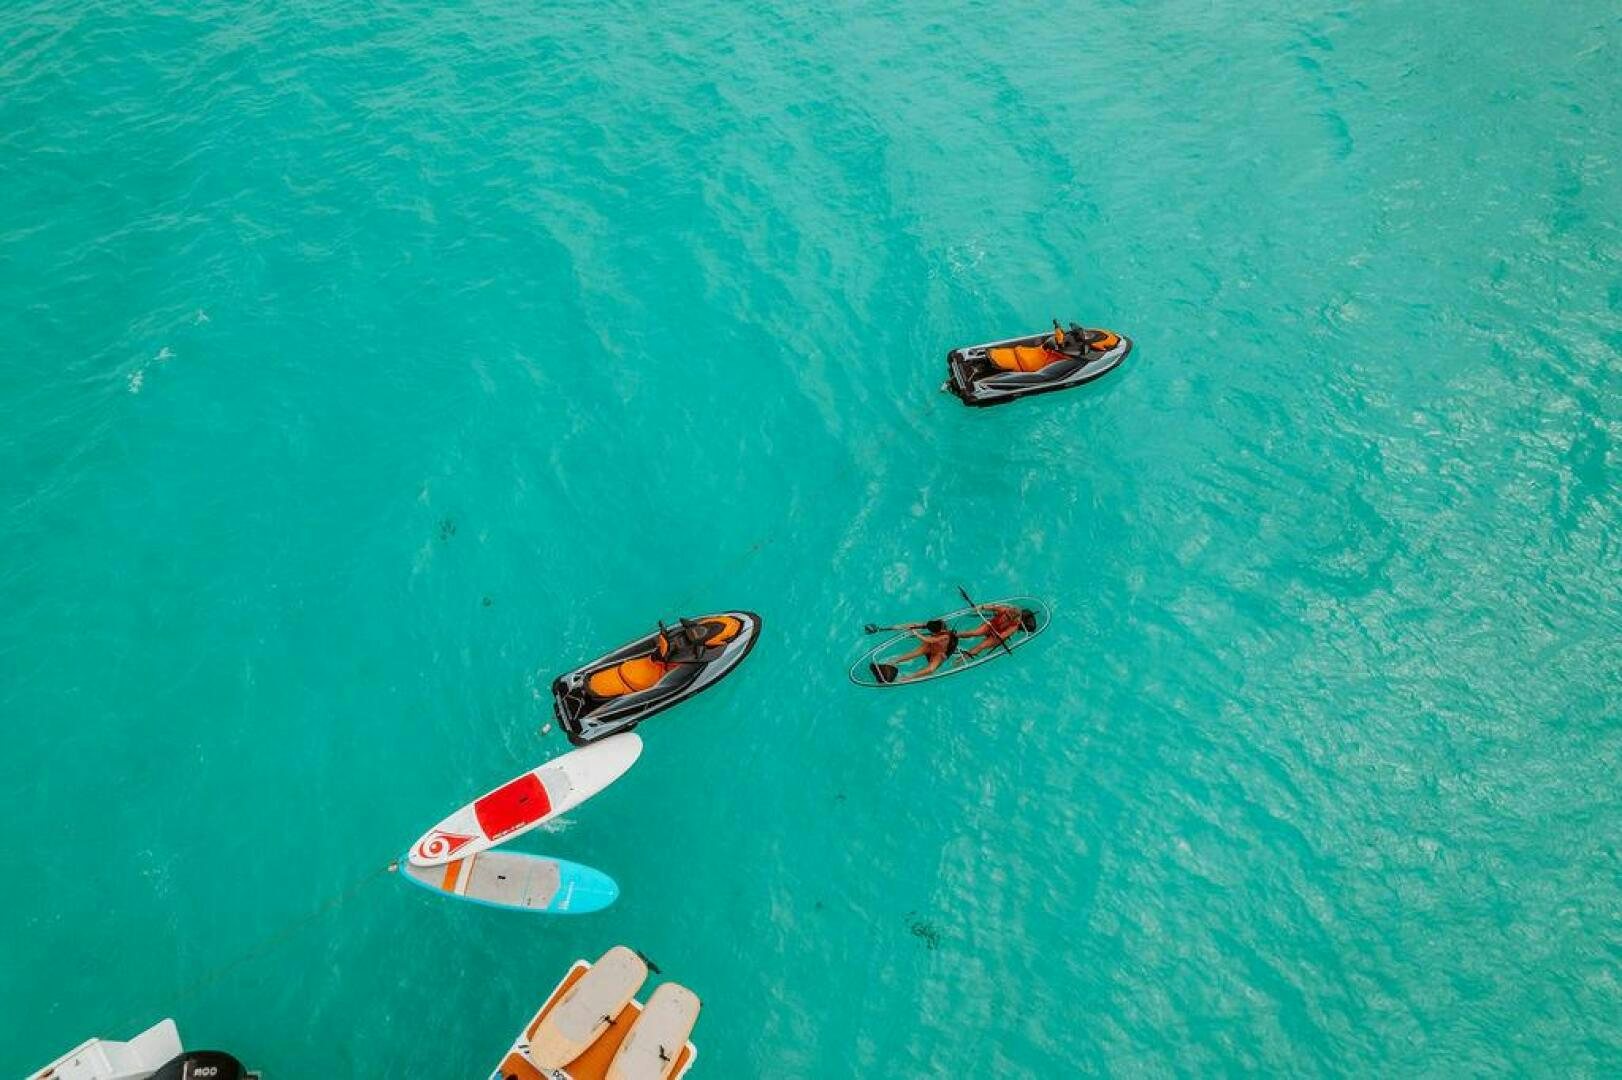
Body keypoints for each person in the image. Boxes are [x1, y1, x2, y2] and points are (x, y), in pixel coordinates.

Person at [870, 619, 959, 683]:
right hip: (931, 646)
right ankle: (893, 661)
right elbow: (915, 625)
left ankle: (909, 677)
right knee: (915, 653)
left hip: (939, 653)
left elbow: (930, 640)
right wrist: (896, 627)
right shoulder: (934, 625)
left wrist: (916, 633)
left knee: (931, 669)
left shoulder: (945, 636)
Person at [959, 603, 1038, 658]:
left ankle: (962, 659)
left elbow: (1003, 635)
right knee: (974, 632)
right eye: (1006, 614)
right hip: (991, 625)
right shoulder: (1004, 609)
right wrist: (981, 607)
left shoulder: (1014, 626)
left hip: (997, 636)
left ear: (1013, 619)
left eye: (1008, 618)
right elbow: (992, 607)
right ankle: (956, 634)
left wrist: (995, 633)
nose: (1005, 617)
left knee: (981, 646)